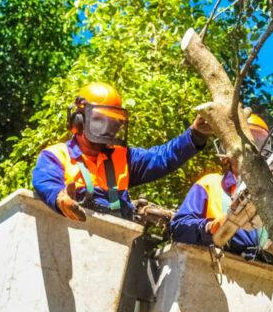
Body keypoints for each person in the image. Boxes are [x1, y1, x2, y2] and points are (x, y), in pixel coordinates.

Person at [32, 81, 213, 222]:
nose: (108, 130)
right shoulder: (56, 155)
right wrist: (60, 198)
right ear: (79, 120)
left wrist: (196, 134)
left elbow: (162, 157)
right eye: (101, 122)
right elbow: (46, 182)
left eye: (113, 123)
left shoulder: (122, 157)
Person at [170, 114, 273, 259]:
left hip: (264, 271)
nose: (250, 149)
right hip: (217, 265)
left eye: (258, 142)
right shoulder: (210, 184)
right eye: (243, 142)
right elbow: (179, 229)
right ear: (227, 147)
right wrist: (211, 227)